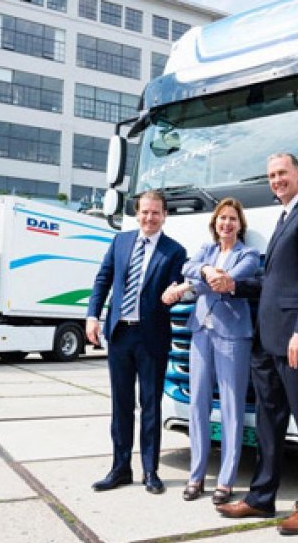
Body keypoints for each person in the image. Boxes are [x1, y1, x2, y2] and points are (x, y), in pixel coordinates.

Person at [212, 153, 298, 536]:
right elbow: (273, 282)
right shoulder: (282, 220)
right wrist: (235, 285)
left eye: (282, 173)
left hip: (295, 340)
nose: (276, 180)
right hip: (268, 340)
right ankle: (262, 497)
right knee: (268, 421)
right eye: (271, 175)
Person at [86, 190, 186, 494]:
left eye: (155, 212)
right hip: (120, 335)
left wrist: (175, 293)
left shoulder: (174, 251)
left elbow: (177, 287)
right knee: (121, 405)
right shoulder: (120, 241)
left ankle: (150, 471)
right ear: (137, 213)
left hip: (151, 338)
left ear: (164, 215)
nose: (149, 218)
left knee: (151, 406)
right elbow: (103, 280)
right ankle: (120, 469)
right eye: (144, 212)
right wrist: (92, 316)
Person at [161, 198, 259, 505]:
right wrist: (203, 270)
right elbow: (188, 267)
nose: (226, 223)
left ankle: (226, 480)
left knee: (231, 406)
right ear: (215, 223)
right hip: (201, 331)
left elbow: (226, 283)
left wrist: (187, 286)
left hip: (233, 335)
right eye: (222, 218)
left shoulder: (248, 254)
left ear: (240, 225)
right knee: (197, 403)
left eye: (232, 219)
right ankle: (196, 475)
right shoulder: (206, 250)